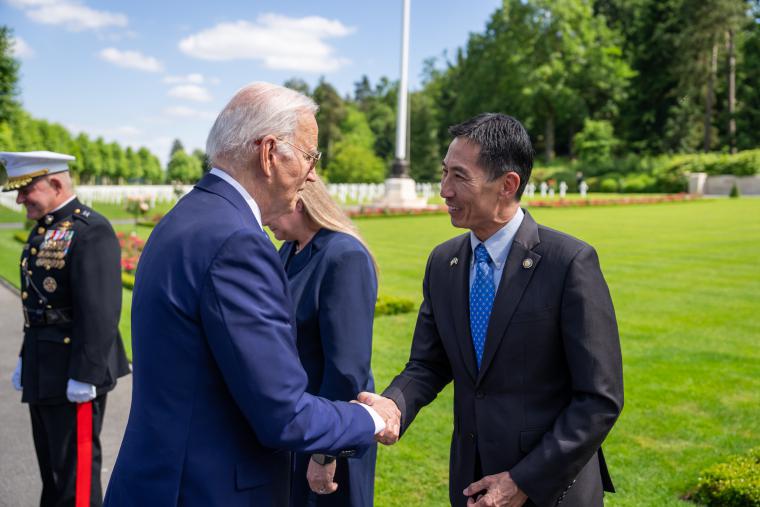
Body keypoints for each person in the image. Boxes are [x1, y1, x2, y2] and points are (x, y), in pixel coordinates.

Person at [104, 82, 400, 507]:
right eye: (309, 155)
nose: (313, 173)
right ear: (268, 154)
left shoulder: (185, 219)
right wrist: (370, 417)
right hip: (208, 489)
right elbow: (283, 415)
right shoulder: (237, 242)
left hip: (162, 478)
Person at [360, 113, 624, 507]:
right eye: (444, 173)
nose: (444, 190)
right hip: (471, 483)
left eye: (460, 177)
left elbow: (599, 399)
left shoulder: (568, 263)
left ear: (507, 185)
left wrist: (524, 481)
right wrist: (393, 403)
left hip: (550, 490)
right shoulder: (443, 262)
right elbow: (428, 364)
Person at [2, 150, 130, 507]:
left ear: (55, 183)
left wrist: (86, 374)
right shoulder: (46, 229)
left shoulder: (91, 230)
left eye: (26, 189)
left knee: (76, 476)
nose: (19, 198)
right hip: (44, 367)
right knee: (53, 470)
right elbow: (38, 304)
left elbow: (101, 310)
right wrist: (26, 358)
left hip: (76, 371)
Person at [269, 177, 378, 506]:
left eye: (271, 206)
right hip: (299, 422)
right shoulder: (289, 249)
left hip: (330, 427)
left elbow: (346, 369)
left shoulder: (344, 256)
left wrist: (325, 454)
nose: (263, 217)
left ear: (297, 203)